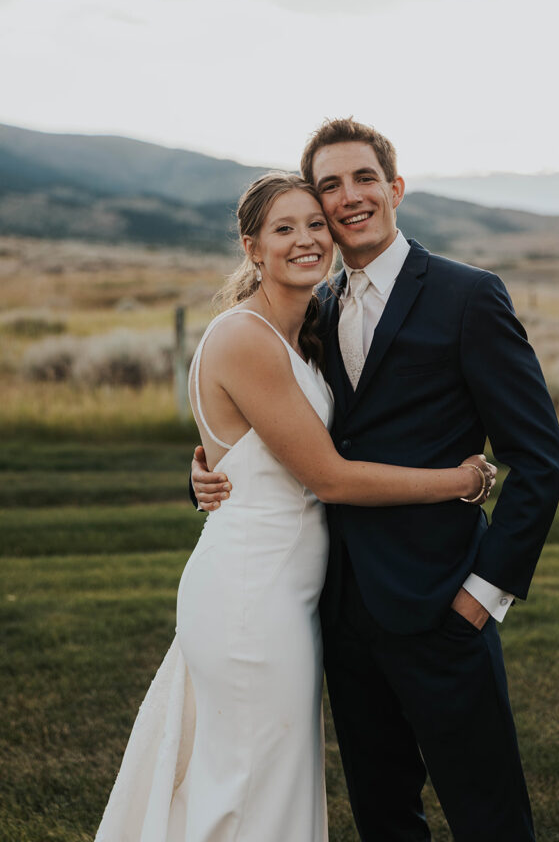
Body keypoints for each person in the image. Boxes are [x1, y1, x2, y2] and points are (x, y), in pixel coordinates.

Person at [192, 121, 559, 842]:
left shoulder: (467, 296)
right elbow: (270, 432)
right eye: (328, 185)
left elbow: (539, 458)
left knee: (487, 814)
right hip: (337, 609)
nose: (347, 196)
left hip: (443, 603)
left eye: (362, 178)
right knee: (383, 815)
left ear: (394, 188)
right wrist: (205, 471)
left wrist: (484, 594)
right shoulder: (313, 309)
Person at [95, 171, 496, 842]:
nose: (306, 239)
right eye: (285, 229)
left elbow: (268, 452)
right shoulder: (246, 336)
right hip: (252, 600)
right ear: (252, 248)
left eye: (316, 224)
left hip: (285, 594)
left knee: (254, 780)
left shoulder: (308, 326)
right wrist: (458, 481)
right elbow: (330, 478)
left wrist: (209, 468)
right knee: (249, 789)